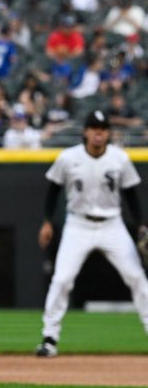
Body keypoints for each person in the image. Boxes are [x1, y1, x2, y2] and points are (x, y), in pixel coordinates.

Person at [36, 110, 148, 357]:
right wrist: (47, 222)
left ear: (108, 132)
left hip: (112, 224)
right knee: (62, 279)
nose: (99, 132)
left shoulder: (120, 158)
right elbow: (53, 191)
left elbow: (132, 196)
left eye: (103, 128)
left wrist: (141, 225)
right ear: (85, 131)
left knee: (136, 277)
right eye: (94, 127)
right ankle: (49, 338)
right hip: (78, 225)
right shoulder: (68, 158)